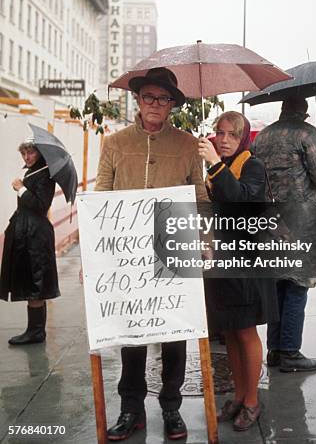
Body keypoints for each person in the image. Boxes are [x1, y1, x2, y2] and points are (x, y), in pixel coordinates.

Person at [95, 67, 208, 442]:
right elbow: (101, 197)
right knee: (132, 333)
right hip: (127, 255)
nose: (155, 104)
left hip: (174, 249)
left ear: (172, 104)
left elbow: (201, 197)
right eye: (148, 97)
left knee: (176, 330)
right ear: (138, 101)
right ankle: (131, 408)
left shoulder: (189, 144)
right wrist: (95, 258)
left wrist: (203, 242)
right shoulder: (113, 143)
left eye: (163, 98)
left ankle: (172, 406)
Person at [254, 96, 316, 373]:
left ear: (282, 109)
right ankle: (290, 352)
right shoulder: (307, 134)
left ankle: (275, 351)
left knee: (277, 286)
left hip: (270, 223)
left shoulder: (263, 136)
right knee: (297, 286)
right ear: (304, 112)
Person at [198, 111, 268, 431]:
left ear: (243, 139)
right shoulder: (220, 168)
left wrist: (214, 165)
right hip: (221, 258)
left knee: (245, 331)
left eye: (232, 135)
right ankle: (239, 395)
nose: (223, 140)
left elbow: (241, 201)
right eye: (220, 133)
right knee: (228, 331)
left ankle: (252, 400)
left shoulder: (252, 165)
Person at [0, 140, 59, 345]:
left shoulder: (45, 174)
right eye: (23, 153)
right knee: (30, 280)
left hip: (36, 235)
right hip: (27, 233)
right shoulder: (33, 171)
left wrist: (21, 189)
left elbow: (40, 205)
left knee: (36, 281)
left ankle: (36, 332)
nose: (27, 157)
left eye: (30, 152)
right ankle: (34, 330)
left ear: (39, 153)